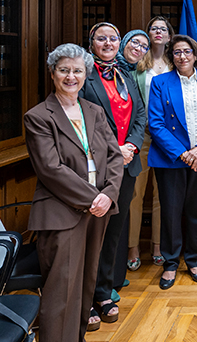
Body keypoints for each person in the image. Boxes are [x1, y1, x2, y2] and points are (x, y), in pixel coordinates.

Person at [24, 43, 123, 341]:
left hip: (99, 211)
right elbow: (50, 169)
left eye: (77, 71)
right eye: (64, 70)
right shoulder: (39, 116)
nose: (71, 76)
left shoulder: (94, 110)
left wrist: (109, 193)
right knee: (61, 290)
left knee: (85, 284)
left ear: (86, 74)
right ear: (53, 73)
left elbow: (114, 156)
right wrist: (94, 197)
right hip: (62, 213)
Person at [80, 23, 145, 329]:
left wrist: (130, 145)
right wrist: (113, 149)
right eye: (101, 38)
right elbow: (79, 117)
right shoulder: (82, 74)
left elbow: (141, 113)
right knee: (92, 232)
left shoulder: (125, 72)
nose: (108, 42)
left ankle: (104, 292)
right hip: (96, 165)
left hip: (127, 164)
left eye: (113, 38)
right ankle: (84, 297)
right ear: (91, 42)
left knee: (115, 232)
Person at [147, 35, 197, 289]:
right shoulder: (160, 83)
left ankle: (192, 259)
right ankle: (170, 264)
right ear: (171, 56)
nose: (182, 56)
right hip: (171, 160)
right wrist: (183, 153)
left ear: (195, 54)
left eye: (187, 52)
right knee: (170, 212)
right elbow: (156, 124)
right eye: (177, 52)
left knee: (196, 212)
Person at [127, 17, 171, 270]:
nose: (158, 32)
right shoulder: (137, 65)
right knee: (136, 193)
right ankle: (133, 246)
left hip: (167, 137)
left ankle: (157, 245)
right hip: (142, 135)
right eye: (153, 28)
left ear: (168, 36)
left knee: (161, 195)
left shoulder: (173, 63)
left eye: (162, 29)